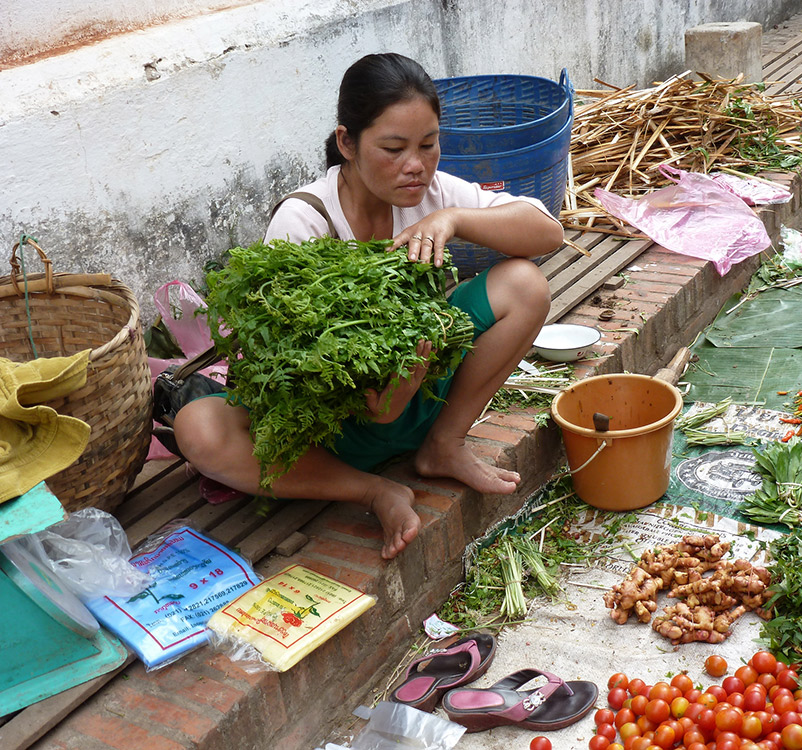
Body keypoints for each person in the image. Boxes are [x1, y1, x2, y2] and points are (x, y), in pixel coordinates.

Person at [174, 53, 564, 560]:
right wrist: (383, 399)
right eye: (394, 148)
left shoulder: (431, 191)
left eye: (429, 144)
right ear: (346, 143)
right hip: (333, 432)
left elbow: (546, 230)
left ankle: (443, 446)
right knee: (199, 431)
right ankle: (373, 489)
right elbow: (301, 375)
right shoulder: (303, 222)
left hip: (425, 393)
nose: (416, 165)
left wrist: (453, 220)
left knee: (525, 284)